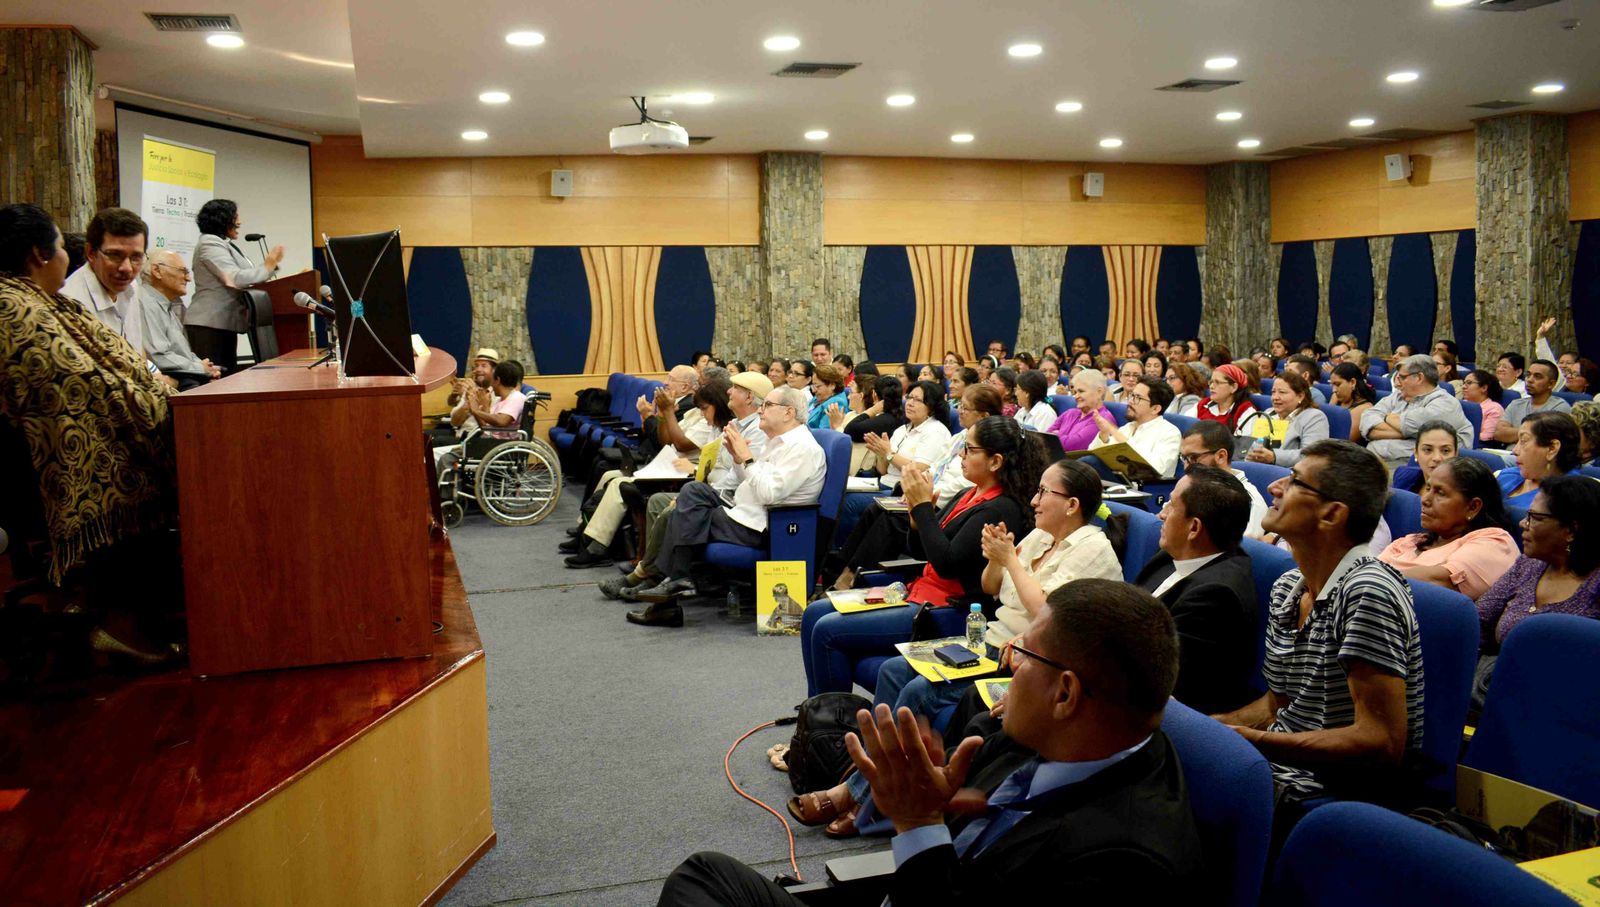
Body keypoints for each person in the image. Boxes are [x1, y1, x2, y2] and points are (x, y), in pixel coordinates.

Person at [666, 580, 1204, 905]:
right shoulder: (1068, 739)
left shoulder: (1122, 865)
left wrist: (918, 827)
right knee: (707, 875)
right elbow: (980, 736)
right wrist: (934, 807)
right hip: (927, 884)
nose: (1005, 669)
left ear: (1066, 693)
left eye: (1022, 658)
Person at [796, 461, 1127, 835]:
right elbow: (990, 588)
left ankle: (858, 797)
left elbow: (1048, 613)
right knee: (893, 670)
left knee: (921, 691)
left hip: (1024, 659)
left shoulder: (1091, 549)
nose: (1034, 501)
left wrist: (1011, 562)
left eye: (1044, 493)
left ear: (1072, 505)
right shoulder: (1040, 537)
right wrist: (995, 560)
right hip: (989, 639)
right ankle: (868, 782)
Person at [0, 203, 180, 661]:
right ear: (41, 254)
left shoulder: (33, 300)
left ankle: (141, 609)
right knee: (142, 482)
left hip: (47, 454)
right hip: (38, 474)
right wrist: (157, 404)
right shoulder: (15, 309)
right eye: (63, 247)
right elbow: (82, 385)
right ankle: (121, 624)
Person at [1217, 440, 1423, 837]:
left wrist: (1253, 742)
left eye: (1294, 482)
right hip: (1281, 766)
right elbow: (1279, 704)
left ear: (1331, 514)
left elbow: (1381, 742)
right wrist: (1214, 726)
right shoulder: (1288, 586)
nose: (1275, 488)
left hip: (1335, 791)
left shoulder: (1368, 591)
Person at [801, 416, 1044, 695]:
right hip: (919, 593)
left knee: (826, 631)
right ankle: (816, 718)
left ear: (995, 461)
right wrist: (918, 520)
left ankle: (829, 730)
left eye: (970, 449)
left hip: (945, 611)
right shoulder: (968, 494)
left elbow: (946, 564)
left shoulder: (1000, 509)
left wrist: (921, 510)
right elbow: (922, 551)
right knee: (814, 613)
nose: (961, 455)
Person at [628, 386, 827, 625]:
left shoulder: (802, 448)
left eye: (767, 406)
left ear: (788, 412)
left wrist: (747, 458)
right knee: (693, 492)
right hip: (743, 512)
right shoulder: (779, 442)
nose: (761, 410)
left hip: (765, 526)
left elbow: (769, 494)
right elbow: (752, 483)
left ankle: (672, 589)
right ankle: (676, 581)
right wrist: (738, 459)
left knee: (679, 514)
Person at [816, 385, 1004, 593]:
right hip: (919, 493)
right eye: (910, 398)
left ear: (984, 415)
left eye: (966, 408)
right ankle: (836, 571)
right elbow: (932, 469)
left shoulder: (976, 445)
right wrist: (915, 486)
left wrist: (922, 493)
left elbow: (962, 487)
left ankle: (852, 580)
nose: (959, 411)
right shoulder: (958, 437)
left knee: (892, 519)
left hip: (942, 504)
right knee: (875, 510)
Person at [603, 373, 772, 599]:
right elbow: (733, 475)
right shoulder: (737, 425)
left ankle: (652, 576)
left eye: (735, 388)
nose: (729, 391)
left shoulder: (758, 432)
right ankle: (659, 577)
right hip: (726, 494)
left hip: (741, 506)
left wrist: (704, 490)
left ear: (749, 397)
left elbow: (749, 481)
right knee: (670, 501)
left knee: (677, 508)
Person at [1137, 465, 1259, 714]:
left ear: (1194, 528)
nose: (1161, 514)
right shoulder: (1171, 555)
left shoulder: (1215, 597)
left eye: (1171, 505)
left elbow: (1153, 679)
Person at [1473, 474, 1600, 710]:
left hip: (1565, 707)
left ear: (1571, 530)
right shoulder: (1529, 564)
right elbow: (1478, 623)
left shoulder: (1595, 584)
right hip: (1495, 690)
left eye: (1535, 518)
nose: (1523, 523)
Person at [1379, 457, 1520, 600]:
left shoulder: (1494, 542)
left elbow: (1437, 582)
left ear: (1473, 507)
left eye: (1440, 493)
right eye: (1428, 488)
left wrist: (1370, 577)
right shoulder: (1409, 542)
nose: (1425, 499)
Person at [835, 380, 952, 540]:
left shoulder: (935, 431)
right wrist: (880, 451)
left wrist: (889, 454)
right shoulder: (902, 429)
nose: (910, 403)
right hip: (884, 481)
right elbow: (883, 470)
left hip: (902, 490)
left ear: (931, 407)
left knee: (849, 503)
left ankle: (842, 552)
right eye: (909, 398)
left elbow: (920, 468)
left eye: (917, 400)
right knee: (839, 492)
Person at [185, 199, 283, 372]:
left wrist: (268, 268)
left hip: (222, 324)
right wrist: (267, 266)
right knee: (214, 385)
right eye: (235, 217)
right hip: (209, 325)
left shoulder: (224, 244)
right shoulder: (209, 243)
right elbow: (234, 278)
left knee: (224, 380)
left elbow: (246, 277)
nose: (239, 222)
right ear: (222, 219)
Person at [59, 207, 150, 357]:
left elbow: (137, 349)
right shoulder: (71, 305)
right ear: (91, 253)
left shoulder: (131, 286)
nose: (126, 268)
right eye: (115, 255)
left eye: (136, 257)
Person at [1359, 354, 1472, 468]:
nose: (1397, 382)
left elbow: (1413, 429)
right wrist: (1408, 433)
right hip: (1378, 461)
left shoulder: (1445, 403)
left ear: (1419, 378)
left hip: (1419, 468)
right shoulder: (1398, 396)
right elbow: (1367, 420)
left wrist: (1386, 417)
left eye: (1402, 377)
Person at [138, 248, 220, 389]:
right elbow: (158, 356)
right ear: (157, 271)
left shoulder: (165, 304)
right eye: (183, 271)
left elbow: (182, 352)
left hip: (184, 373)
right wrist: (200, 369)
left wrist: (202, 366)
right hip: (170, 378)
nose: (188, 278)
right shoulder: (145, 303)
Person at [1181, 421, 1269, 537]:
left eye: (1193, 457)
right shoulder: (1192, 484)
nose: (1186, 466)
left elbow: (1236, 551)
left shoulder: (1250, 503)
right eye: (1184, 458)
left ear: (1221, 456)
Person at [1086, 377, 1181, 481]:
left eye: (1138, 398)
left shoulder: (1170, 433)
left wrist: (1114, 432)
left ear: (1155, 409)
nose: (1130, 401)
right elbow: (1093, 452)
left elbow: (1157, 468)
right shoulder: (1128, 427)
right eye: (1132, 395)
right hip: (1118, 480)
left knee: (1090, 463)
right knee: (1086, 463)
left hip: (1145, 488)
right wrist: (1104, 434)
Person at [1243, 369, 1330, 469]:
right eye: (1273, 392)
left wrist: (1274, 457)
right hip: (1257, 467)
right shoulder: (1268, 413)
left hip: (1290, 474)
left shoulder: (1314, 417)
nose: (1275, 397)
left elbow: (1312, 456)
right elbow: (1253, 444)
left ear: (1300, 396)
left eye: (1282, 392)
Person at [1497, 411, 1581, 506]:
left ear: (1552, 448)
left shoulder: (1567, 498)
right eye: (1518, 441)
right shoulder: (1506, 475)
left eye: (1524, 441)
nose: (1515, 451)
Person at [1493, 358, 1570, 444]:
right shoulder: (1516, 404)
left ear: (1551, 384)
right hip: (1507, 453)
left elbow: (1545, 439)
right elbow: (1498, 434)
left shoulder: (1559, 407)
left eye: (1537, 376)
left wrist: (1512, 433)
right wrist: (1532, 432)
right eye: (1528, 375)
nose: (1529, 380)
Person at [1046, 369, 1113, 451]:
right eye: (1075, 392)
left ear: (1099, 392)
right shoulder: (1070, 413)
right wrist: (1059, 437)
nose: (1076, 396)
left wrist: (1057, 434)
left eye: (1081, 391)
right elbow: (1046, 437)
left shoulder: (1102, 419)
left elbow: (1069, 446)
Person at [1389, 421, 1459, 494]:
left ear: (1455, 455)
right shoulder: (1404, 477)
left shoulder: (1464, 494)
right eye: (1428, 450)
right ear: (1416, 453)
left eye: (1445, 451)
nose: (1436, 458)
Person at [830, 373, 904, 440]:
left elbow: (850, 431)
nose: (848, 397)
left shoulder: (879, 420)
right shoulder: (851, 414)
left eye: (851, 392)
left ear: (874, 394)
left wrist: (837, 426)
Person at [1197, 363, 1258, 435]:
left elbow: (1242, 444)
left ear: (1233, 387)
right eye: (1211, 382)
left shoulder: (1247, 412)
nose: (1211, 386)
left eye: (1217, 382)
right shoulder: (1203, 404)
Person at [1329, 362, 1378, 443]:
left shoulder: (1364, 408)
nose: (1334, 390)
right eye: (1332, 385)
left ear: (1352, 382)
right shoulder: (1336, 397)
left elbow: (1344, 442)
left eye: (1337, 384)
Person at [1459, 368, 1505, 446]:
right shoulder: (1462, 404)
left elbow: (1485, 438)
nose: (1463, 386)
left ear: (1483, 388)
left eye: (1469, 383)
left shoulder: (1494, 409)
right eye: (1463, 383)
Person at [807, 363, 849, 429]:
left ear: (832, 385)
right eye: (813, 385)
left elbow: (824, 433)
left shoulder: (836, 403)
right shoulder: (817, 398)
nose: (814, 390)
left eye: (817, 386)